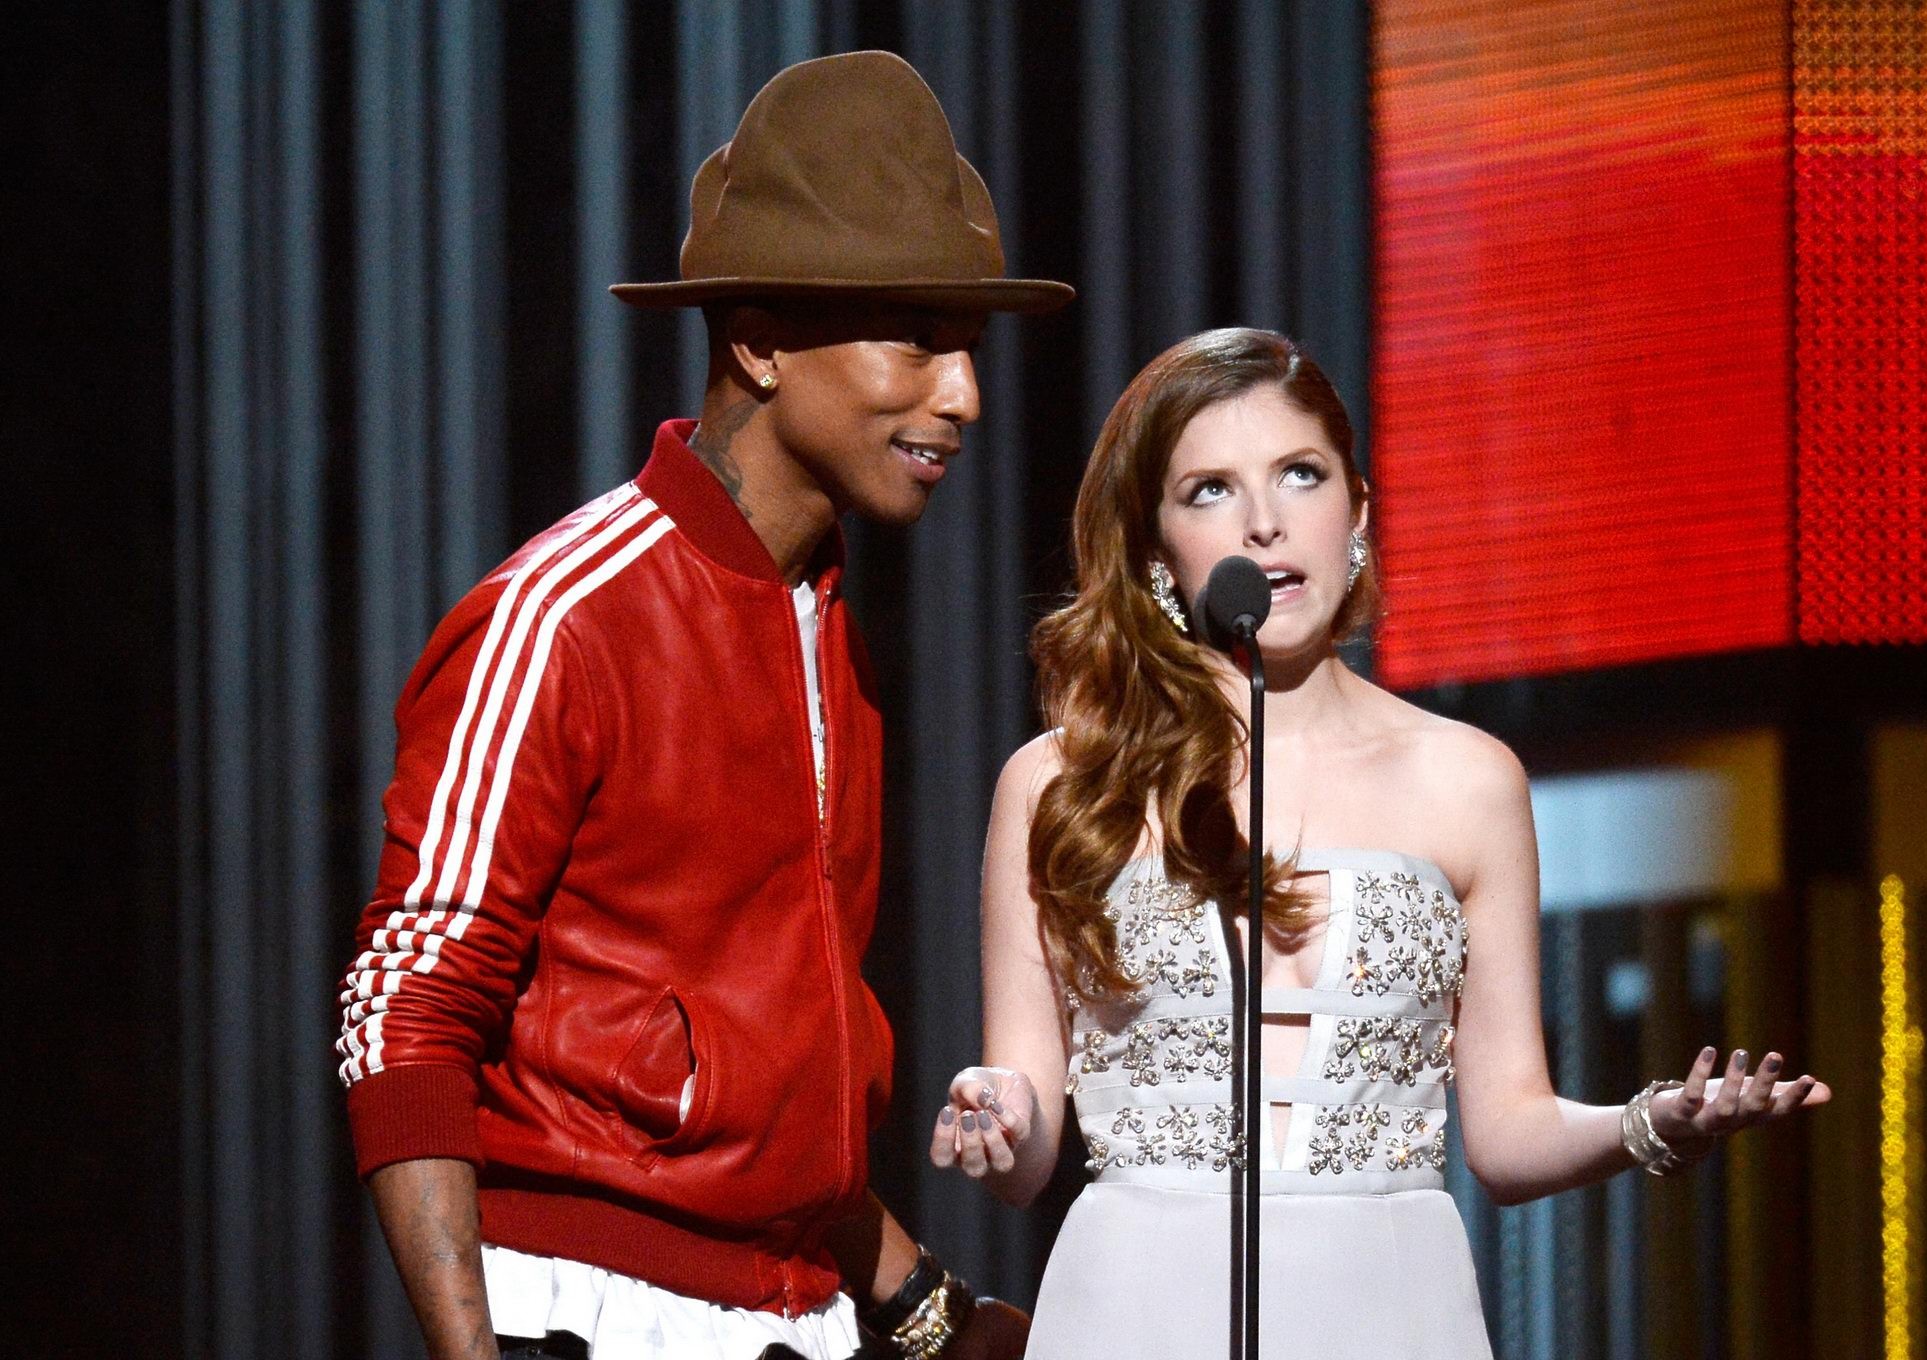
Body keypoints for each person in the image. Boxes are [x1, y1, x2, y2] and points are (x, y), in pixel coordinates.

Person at [335, 51, 1070, 1360]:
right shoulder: (561, 615)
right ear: (759, 343)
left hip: (795, 1315)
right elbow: (402, 1014)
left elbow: (764, 1106)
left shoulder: (821, 627)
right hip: (586, 1313)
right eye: (920, 339)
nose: (962, 394)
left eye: (969, 349)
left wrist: (929, 1316)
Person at [926, 328, 1830, 1358]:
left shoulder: (1468, 777)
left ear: (1356, 508)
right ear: (1152, 548)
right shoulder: (1057, 782)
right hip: (1136, 1303)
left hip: (1389, 1307)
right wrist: (995, 1117)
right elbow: (1027, 1142)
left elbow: (1506, 1129)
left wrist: (1652, 1121)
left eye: (1297, 475)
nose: (1265, 524)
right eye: (1210, 490)